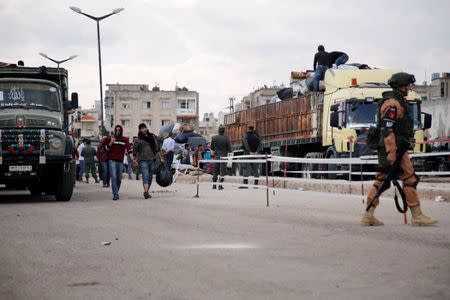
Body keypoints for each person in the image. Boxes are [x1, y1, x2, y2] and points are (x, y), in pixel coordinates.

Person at [361, 72, 438, 226]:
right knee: (409, 178)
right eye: (407, 85)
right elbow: (387, 129)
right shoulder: (392, 103)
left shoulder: (397, 101)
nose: (409, 88)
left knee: (382, 180)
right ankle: (417, 216)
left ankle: (368, 215)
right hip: (394, 148)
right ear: (401, 87)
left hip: (394, 147)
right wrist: (392, 152)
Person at [132, 123, 162, 199]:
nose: (144, 129)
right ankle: (145, 192)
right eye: (142, 128)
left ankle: (147, 191)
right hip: (143, 160)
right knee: (145, 175)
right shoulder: (138, 139)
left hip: (152, 159)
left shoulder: (152, 137)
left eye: (144, 128)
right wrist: (134, 159)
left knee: (150, 176)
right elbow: (134, 150)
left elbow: (157, 148)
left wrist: (161, 157)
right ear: (139, 130)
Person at [105, 125, 131, 200]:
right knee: (114, 177)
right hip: (111, 160)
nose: (118, 131)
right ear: (115, 130)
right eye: (116, 130)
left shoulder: (125, 139)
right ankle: (115, 194)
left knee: (119, 179)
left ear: (121, 130)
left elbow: (128, 148)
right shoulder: (111, 138)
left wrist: (133, 158)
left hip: (120, 161)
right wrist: (111, 142)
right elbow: (106, 148)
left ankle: (116, 191)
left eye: (119, 130)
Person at [240, 123, 262, 188]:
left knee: (245, 169)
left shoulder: (245, 136)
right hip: (255, 155)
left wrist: (250, 152)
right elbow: (261, 145)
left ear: (248, 128)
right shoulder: (257, 136)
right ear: (253, 128)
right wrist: (256, 152)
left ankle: (245, 185)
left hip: (247, 154)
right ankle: (256, 185)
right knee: (255, 170)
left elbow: (246, 144)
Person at [211, 125, 231, 190]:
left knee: (215, 171)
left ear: (218, 130)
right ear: (224, 131)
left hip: (216, 156)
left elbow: (212, 148)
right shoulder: (226, 138)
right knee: (222, 171)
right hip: (223, 157)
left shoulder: (214, 138)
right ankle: (220, 186)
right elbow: (229, 149)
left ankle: (214, 185)